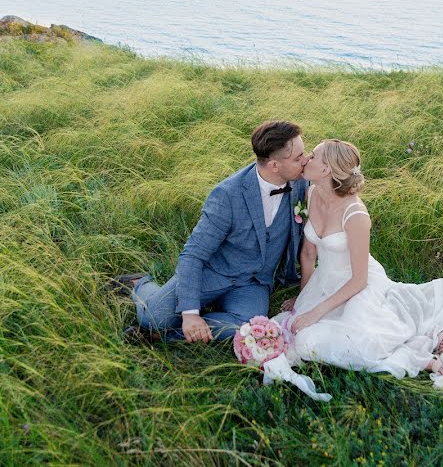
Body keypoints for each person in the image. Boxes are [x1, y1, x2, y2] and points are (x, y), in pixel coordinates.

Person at [269, 139, 443, 403]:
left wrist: (316, 312)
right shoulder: (312, 193)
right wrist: (304, 297)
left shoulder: (355, 215)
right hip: (323, 284)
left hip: (357, 285)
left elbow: (359, 279)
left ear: (327, 170)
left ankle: (421, 354)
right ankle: (417, 338)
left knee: (349, 341)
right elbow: (309, 254)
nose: (306, 159)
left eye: (313, 156)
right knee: (297, 335)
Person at [113, 121, 309, 342]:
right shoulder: (227, 195)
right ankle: (140, 284)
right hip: (213, 273)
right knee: (154, 317)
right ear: (274, 165)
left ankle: (165, 336)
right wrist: (189, 313)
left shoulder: (301, 183)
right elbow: (193, 254)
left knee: (248, 327)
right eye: (298, 157)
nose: (306, 160)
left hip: (252, 283)